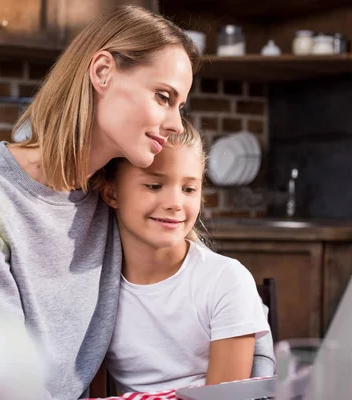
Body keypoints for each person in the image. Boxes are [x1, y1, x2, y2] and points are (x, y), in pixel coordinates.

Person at [0, 5, 200, 399]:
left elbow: (194, 282)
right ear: (103, 72)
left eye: (180, 106)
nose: (176, 123)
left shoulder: (113, 195)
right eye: (163, 97)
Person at [99, 118, 275, 394]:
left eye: (189, 189)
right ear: (112, 192)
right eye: (154, 186)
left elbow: (225, 399)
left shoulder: (226, 279)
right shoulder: (95, 288)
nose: (175, 203)